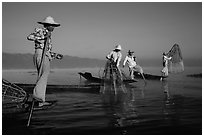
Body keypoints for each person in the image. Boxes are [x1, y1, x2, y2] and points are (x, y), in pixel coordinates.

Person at [27, 16, 63, 107]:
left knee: (44, 74)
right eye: (52, 26)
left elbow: (46, 50)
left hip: (44, 55)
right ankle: (38, 98)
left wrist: (56, 55)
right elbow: (30, 37)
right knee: (45, 73)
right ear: (48, 25)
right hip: (40, 55)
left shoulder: (49, 35)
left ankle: (39, 100)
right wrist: (43, 36)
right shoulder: (41, 31)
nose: (53, 28)